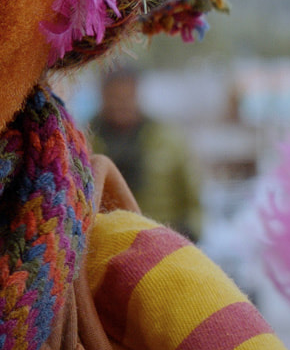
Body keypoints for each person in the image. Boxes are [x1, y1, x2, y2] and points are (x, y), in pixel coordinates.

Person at [85, 63, 202, 239]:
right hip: (105, 244)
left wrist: (186, 234)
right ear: (102, 95)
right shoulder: (85, 141)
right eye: (114, 97)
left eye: (126, 97)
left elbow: (194, 203)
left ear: (137, 94)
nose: (120, 105)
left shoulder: (167, 140)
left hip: (162, 243)